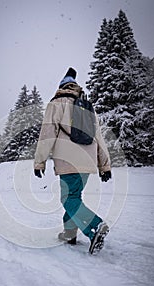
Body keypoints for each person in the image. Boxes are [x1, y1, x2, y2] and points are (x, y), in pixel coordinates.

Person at [34, 67, 111, 253]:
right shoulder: (87, 106)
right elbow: (99, 137)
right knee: (74, 196)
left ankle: (95, 227)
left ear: (61, 87)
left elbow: (47, 134)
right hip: (88, 160)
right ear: (75, 87)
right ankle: (69, 234)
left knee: (69, 198)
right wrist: (104, 165)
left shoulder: (56, 103)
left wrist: (40, 161)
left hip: (68, 160)